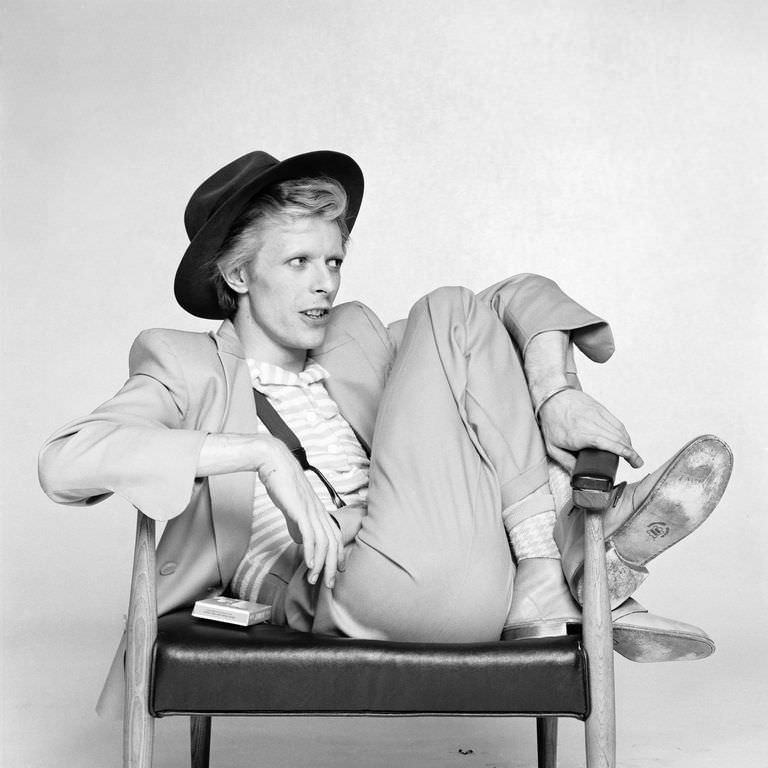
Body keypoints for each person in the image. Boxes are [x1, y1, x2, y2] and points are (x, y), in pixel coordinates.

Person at [38, 150, 732, 715]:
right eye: (299, 263)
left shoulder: (355, 342)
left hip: (449, 548)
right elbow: (69, 460)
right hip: (348, 587)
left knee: (460, 316)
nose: (325, 286)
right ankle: (583, 556)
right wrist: (261, 454)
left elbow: (503, 305)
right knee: (452, 312)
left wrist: (556, 392)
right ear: (238, 274)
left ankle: (555, 570)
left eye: (333, 261)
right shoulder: (184, 364)